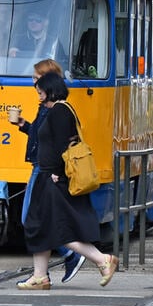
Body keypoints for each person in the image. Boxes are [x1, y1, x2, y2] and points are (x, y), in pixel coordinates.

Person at [18, 72, 117, 290]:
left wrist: (57, 173)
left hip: (55, 179)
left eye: (41, 92)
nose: (38, 95)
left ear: (51, 90)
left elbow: (63, 145)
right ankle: (40, 276)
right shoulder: (52, 111)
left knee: (58, 227)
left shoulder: (60, 111)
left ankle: (103, 260)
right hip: (47, 176)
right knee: (39, 226)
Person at [11, 59, 84, 284]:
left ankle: (72, 254)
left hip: (44, 169)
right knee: (36, 219)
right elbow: (41, 136)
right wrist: (24, 125)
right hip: (39, 166)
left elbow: (58, 142)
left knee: (31, 218)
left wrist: (55, 171)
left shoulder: (55, 108)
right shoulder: (45, 106)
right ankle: (42, 274)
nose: (34, 83)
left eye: (36, 79)